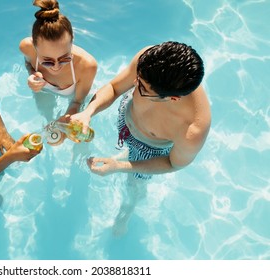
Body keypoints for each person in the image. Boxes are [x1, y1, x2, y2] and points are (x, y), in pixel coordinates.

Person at [70, 41, 211, 235]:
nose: (134, 84)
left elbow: (173, 164)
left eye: (143, 88)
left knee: (135, 186)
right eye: (137, 78)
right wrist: (88, 112)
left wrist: (119, 167)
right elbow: (114, 87)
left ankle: (125, 213)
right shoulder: (151, 59)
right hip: (127, 115)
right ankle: (126, 154)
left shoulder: (192, 130)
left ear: (173, 98)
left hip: (150, 149)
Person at [19, 0, 97, 119]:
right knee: (46, 119)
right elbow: (28, 63)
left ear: (72, 41)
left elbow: (77, 102)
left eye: (65, 58)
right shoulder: (26, 47)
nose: (56, 67)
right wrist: (31, 73)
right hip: (44, 91)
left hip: (75, 98)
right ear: (34, 47)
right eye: (47, 61)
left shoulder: (87, 66)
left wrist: (64, 122)